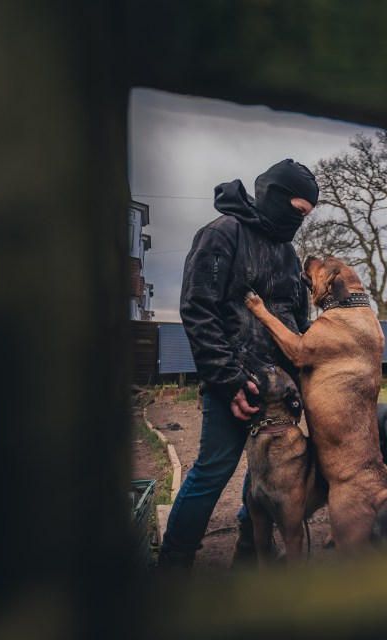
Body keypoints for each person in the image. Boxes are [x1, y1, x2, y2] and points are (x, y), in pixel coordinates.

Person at [157, 159, 319, 572]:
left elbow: (299, 319)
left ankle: (251, 550)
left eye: (306, 216)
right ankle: (173, 562)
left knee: (265, 472)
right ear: (276, 197)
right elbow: (198, 308)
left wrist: (304, 371)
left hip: (281, 391)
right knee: (213, 470)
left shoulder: (288, 251)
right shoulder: (222, 233)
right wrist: (229, 380)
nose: (298, 221)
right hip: (236, 381)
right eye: (297, 210)